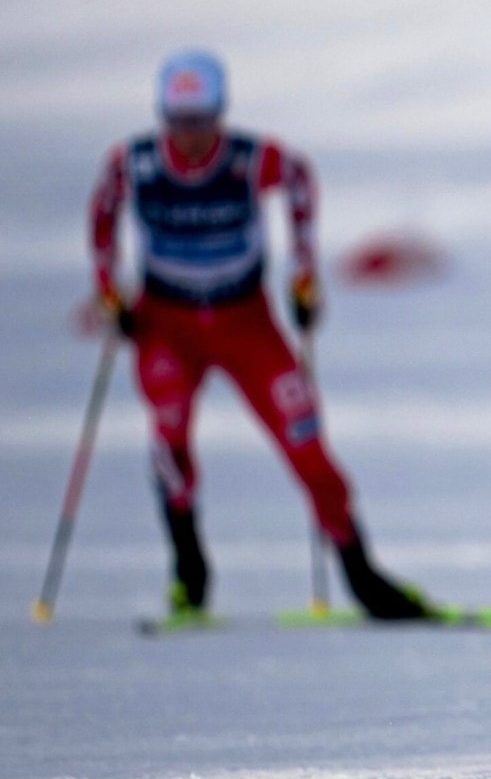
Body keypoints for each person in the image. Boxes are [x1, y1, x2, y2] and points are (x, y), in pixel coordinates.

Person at [88, 50, 432, 622]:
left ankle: (362, 575)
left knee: (306, 442)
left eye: (203, 120)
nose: (192, 137)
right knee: (169, 439)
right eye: (179, 121)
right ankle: (189, 575)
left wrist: (303, 273)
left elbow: (299, 180)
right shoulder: (135, 162)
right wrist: (109, 292)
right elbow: (102, 214)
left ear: (221, 114)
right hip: (166, 324)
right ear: (162, 117)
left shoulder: (250, 158)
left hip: (245, 319)